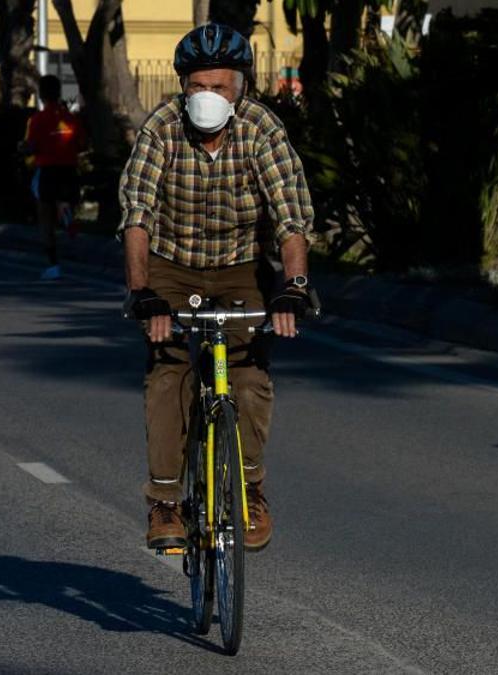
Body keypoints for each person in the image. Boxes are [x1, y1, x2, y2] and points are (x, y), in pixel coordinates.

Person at [119, 23, 315, 552]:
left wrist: (293, 285)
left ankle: (249, 491)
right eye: (197, 87)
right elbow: (137, 216)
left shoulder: (263, 130)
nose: (208, 98)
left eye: (220, 87)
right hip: (172, 266)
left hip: (239, 268)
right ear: (183, 87)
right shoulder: (161, 128)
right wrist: (144, 292)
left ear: (241, 88)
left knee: (249, 377)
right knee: (169, 368)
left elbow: (292, 218)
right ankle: (164, 502)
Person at [22, 74, 85, 281]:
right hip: (69, 169)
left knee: (45, 217)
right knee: (63, 201)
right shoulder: (71, 119)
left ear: (41, 94)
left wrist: (22, 149)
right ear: (59, 93)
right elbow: (82, 144)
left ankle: (53, 264)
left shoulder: (37, 120)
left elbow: (31, 146)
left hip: (46, 170)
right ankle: (65, 211)